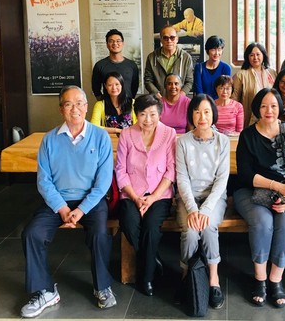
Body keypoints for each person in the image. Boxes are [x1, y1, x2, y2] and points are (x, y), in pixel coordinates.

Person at [20, 86, 115, 318]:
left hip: (90, 201)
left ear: (87, 106)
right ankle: (44, 291)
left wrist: (81, 210)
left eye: (80, 103)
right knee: (32, 233)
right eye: (69, 104)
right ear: (61, 109)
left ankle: (102, 286)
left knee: (100, 233)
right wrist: (62, 208)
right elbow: (44, 181)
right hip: (58, 201)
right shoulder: (49, 140)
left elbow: (103, 183)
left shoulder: (101, 136)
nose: (76, 109)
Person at [233, 88, 285, 308]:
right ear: (257, 108)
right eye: (264, 106)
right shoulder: (248, 135)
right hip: (250, 191)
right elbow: (245, 174)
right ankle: (260, 279)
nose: (269, 110)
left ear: (280, 107)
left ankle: (275, 279)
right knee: (263, 222)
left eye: (274, 105)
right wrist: (278, 186)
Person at [115, 94, 176, 297]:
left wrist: (152, 197)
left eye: (152, 114)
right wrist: (135, 197)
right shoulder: (126, 134)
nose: (147, 120)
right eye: (143, 114)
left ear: (159, 114)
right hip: (132, 194)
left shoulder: (169, 134)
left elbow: (171, 170)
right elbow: (120, 171)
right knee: (129, 223)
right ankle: (153, 259)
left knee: (150, 226)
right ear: (136, 115)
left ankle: (147, 277)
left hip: (160, 194)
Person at [176, 94, 230, 309]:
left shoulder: (222, 141)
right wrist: (192, 209)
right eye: (197, 111)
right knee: (189, 230)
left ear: (213, 114)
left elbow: (222, 179)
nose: (202, 116)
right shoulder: (182, 141)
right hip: (188, 198)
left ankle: (213, 279)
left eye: (207, 111)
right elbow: (182, 178)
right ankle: (187, 276)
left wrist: (205, 209)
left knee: (207, 227)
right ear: (191, 114)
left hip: (214, 198)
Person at [232, 42, 277, 128]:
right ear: (247, 57)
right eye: (252, 55)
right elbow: (234, 100)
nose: (255, 58)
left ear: (263, 55)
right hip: (249, 119)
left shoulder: (272, 73)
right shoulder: (241, 75)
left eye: (258, 54)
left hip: (270, 117)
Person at [144, 25, 194, 97]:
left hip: (179, 101)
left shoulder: (186, 57)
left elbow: (189, 81)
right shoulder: (152, 57)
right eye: (165, 38)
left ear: (177, 39)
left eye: (172, 38)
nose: (169, 41)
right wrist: (156, 94)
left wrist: (180, 96)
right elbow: (148, 80)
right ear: (161, 40)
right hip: (158, 101)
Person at [91, 29, 139, 100]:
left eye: (118, 41)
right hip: (107, 107)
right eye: (111, 41)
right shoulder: (100, 65)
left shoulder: (132, 65)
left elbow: (134, 87)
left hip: (128, 106)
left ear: (122, 43)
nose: (115, 43)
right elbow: (96, 88)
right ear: (107, 44)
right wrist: (103, 102)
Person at [90, 71, 135, 137]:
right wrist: (118, 130)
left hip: (130, 140)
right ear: (105, 86)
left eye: (117, 84)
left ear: (121, 85)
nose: (114, 88)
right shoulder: (100, 105)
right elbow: (94, 126)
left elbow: (139, 125)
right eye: (110, 85)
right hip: (109, 140)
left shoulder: (133, 103)